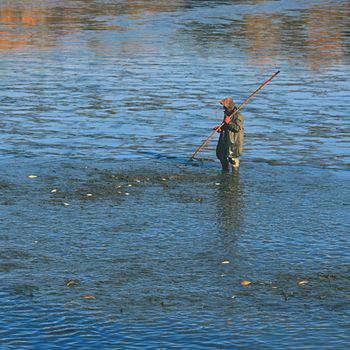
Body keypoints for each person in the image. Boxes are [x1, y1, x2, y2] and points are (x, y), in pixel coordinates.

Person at [213, 97, 244, 171]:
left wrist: (228, 122)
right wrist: (220, 128)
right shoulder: (227, 114)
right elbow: (225, 126)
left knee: (233, 160)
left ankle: (235, 179)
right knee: (222, 156)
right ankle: (225, 172)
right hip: (225, 140)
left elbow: (237, 128)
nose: (223, 107)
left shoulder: (238, 115)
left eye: (224, 106)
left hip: (234, 142)